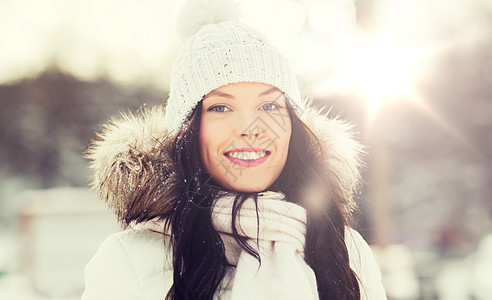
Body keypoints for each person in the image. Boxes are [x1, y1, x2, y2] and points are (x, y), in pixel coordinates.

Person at [82, 1, 387, 299]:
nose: (250, 127)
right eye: (221, 107)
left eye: (269, 105)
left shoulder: (347, 251)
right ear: (188, 132)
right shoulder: (129, 259)